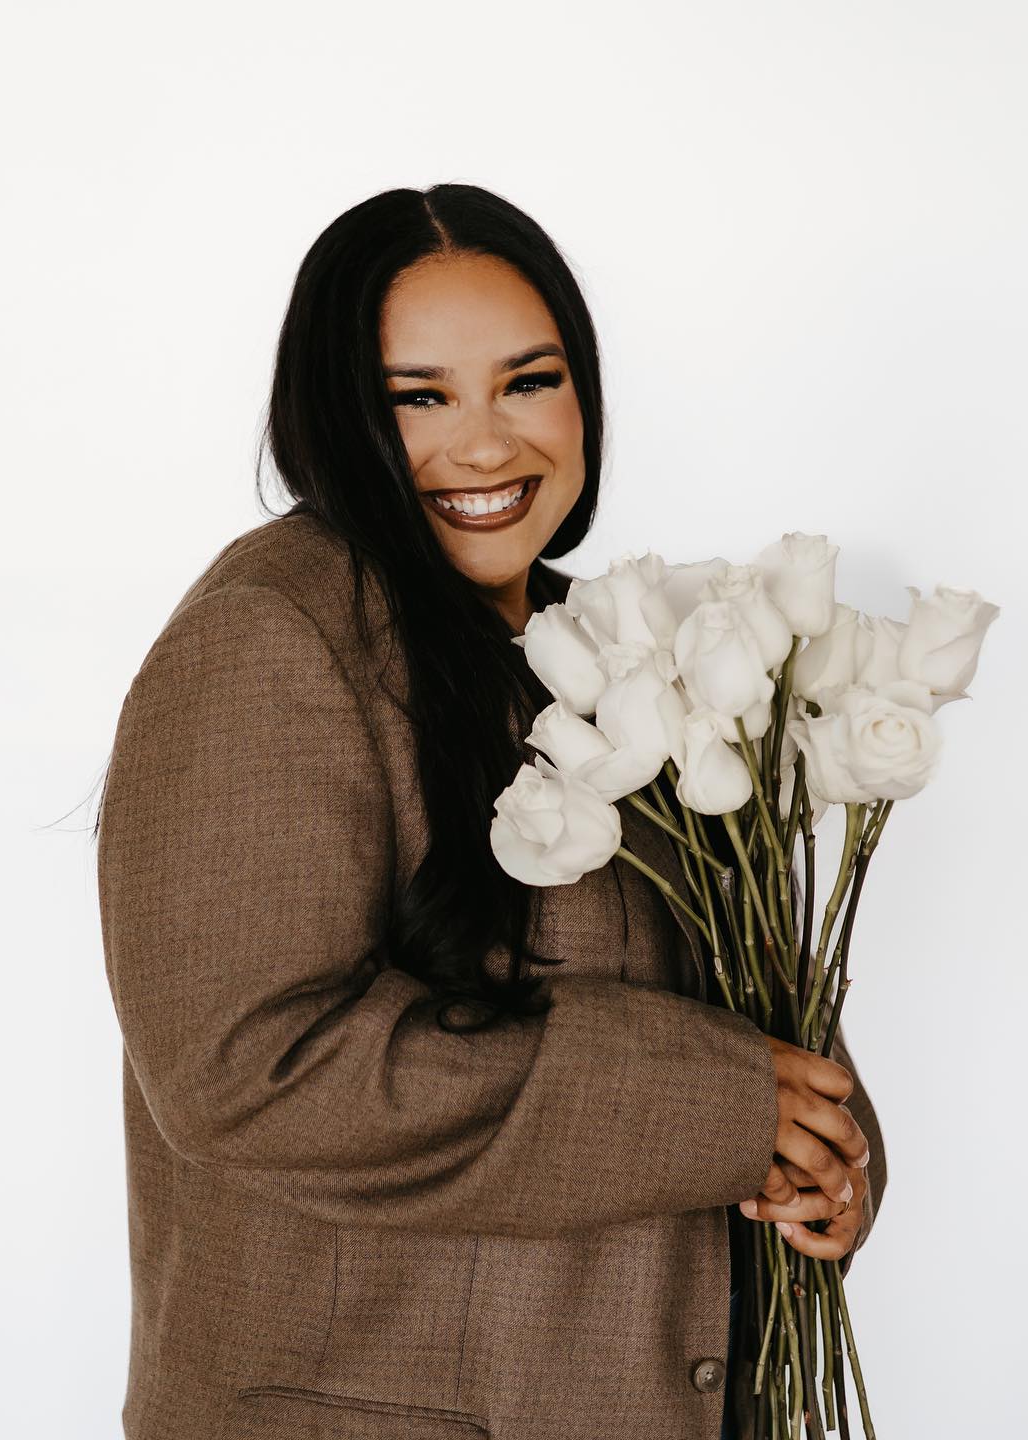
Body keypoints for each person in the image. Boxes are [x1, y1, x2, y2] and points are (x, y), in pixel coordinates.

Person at [94, 182, 886, 1440]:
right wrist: (714, 1109)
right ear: (335, 414)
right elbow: (251, 1072)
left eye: (529, 381)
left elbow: (736, 1009)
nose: (487, 444)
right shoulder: (273, 640)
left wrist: (825, 1154)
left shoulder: (621, 646)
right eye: (420, 397)